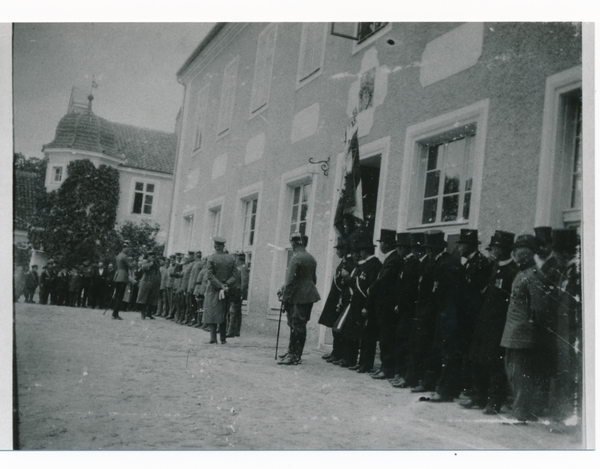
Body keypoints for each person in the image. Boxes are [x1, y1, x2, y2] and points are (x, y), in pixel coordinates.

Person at [462, 230, 518, 414]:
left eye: (496, 248)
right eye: (492, 248)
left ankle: (494, 402)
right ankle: (479, 397)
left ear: (505, 250)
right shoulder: (494, 268)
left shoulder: (512, 272)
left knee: (495, 364)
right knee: (478, 359)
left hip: (499, 324)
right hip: (485, 321)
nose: (493, 251)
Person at [500, 234, 551, 422]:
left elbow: (539, 308)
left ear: (527, 254)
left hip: (523, 333)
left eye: (519, 252)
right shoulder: (522, 273)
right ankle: (521, 409)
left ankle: (522, 412)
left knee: (521, 374)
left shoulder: (533, 275)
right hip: (514, 332)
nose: (515, 255)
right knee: (513, 372)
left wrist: (534, 331)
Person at [548, 228, 582, 430]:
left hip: (573, 335)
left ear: (565, 253)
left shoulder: (578, 273)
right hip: (562, 334)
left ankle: (572, 421)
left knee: (572, 378)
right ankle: (563, 418)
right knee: (563, 376)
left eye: (557, 253)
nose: (555, 257)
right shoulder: (565, 272)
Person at [363, 229, 403, 380]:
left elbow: (383, 280)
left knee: (387, 337)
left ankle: (387, 368)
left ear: (386, 244)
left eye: (381, 243)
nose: (380, 246)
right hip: (383, 305)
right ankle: (385, 367)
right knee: (385, 337)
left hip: (387, 305)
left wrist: (371, 289)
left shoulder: (393, 259)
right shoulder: (390, 258)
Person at [277, 232, 321, 365]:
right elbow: (313, 279)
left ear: (294, 243)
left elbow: (290, 281)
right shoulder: (311, 258)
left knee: (296, 325)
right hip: (308, 295)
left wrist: (284, 298)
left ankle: (295, 355)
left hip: (298, 296)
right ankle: (292, 351)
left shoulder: (295, 258)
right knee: (298, 324)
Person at [390, 232, 420, 388]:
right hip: (402, 311)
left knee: (406, 344)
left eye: (399, 247)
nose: (398, 250)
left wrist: (400, 305)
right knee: (400, 342)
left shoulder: (413, 264)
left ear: (404, 248)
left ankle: (405, 375)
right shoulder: (406, 263)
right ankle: (400, 373)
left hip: (408, 312)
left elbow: (409, 291)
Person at [318, 237, 353, 363]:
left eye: (338, 249)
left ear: (344, 250)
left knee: (340, 328)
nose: (336, 251)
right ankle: (336, 351)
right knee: (335, 326)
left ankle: (340, 353)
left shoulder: (348, 264)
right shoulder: (343, 262)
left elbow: (346, 284)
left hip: (342, 300)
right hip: (336, 298)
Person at [204, 237, 237, 344]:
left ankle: (213, 338)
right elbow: (235, 276)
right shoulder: (231, 258)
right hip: (226, 289)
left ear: (215, 246)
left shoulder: (211, 258)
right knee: (223, 313)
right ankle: (223, 338)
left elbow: (209, 275)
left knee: (211, 312)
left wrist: (219, 285)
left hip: (213, 289)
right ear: (223, 246)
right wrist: (225, 284)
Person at [226, 250, 248, 338]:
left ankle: (231, 331)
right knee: (235, 312)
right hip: (233, 290)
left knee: (233, 311)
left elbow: (244, 282)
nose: (236, 259)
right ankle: (235, 330)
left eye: (238, 257)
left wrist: (242, 293)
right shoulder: (236, 267)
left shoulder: (243, 267)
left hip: (238, 291)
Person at [137, 252, 161, 320]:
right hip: (146, 282)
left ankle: (149, 313)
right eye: (151, 256)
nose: (152, 257)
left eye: (153, 256)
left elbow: (159, 266)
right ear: (148, 256)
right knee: (144, 298)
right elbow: (144, 268)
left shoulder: (156, 263)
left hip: (153, 283)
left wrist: (156, 261)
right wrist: (151, 263)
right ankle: (143, 313)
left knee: (152, 299)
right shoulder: (145, 261)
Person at [112, 241, 132, 320]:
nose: (128, 250)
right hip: (123, 276)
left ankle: (115, 312)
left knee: (117, 295)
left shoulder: (118, 255)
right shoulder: (124, 256)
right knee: (120, 296)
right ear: (125, 247)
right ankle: (115, 314)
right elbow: (130, 266)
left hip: (117, 276)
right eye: (128, 248)